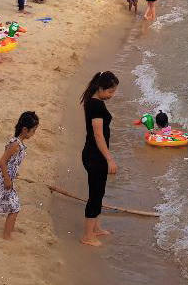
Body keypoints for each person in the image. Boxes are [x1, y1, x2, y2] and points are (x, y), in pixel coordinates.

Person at [0, 111, 39, 239]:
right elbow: (2, 161)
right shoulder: (15, 145)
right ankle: (7, 236)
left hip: (7, 177)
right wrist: (7, 178)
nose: (34, 133)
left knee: (13, 206)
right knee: (15, 207)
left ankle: (8, 232)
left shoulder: (19, 144)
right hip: (3, 179)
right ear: (25, 129)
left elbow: (12, 162)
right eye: (33, 131)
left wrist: (14, 173)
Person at [80, 71, 119, 246]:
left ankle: (96, 228)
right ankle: (88, 236)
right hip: (94, 156)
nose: (112, 95)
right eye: (110, 91)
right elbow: (98, 135)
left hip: (94, 154)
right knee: (95, 195)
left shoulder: (93, 101)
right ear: (100, 88)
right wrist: (109, 159)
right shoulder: (96, 106)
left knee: (99, 192)